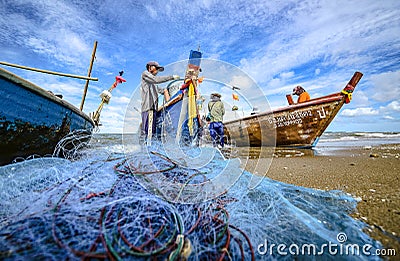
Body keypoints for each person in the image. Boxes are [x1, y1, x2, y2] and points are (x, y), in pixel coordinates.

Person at [140, 61, 179, 140]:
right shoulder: (145, 74)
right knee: (148, 133)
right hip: (149, 109)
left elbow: (162, 90)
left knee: (152, 132)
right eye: (156, 68)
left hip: (153, 110)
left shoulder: (153, 83)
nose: (157, 71)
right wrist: (171, 77)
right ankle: (147, 150)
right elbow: (156, 80)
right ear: (150, 67)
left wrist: (169, 91)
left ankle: (148, 149)